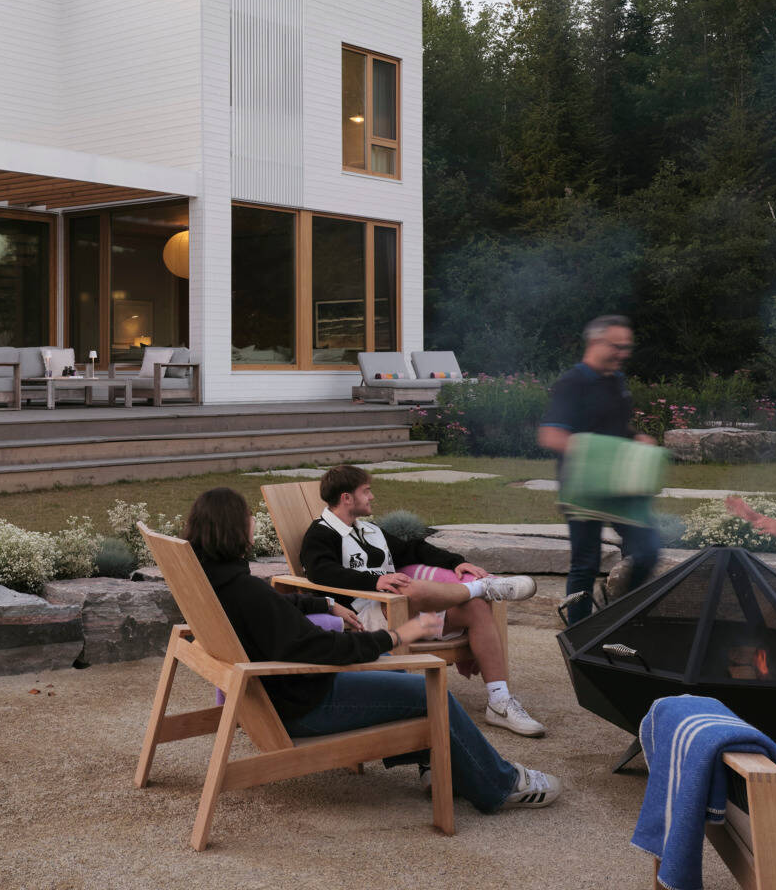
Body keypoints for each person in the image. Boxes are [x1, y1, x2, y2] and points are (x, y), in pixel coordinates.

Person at [184, 486, 561, 812]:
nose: (254, 523)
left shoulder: (215, 580)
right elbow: (319, 648)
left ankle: (436, 762)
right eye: (249, 517)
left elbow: (272, 608)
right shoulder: (246, 589)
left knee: (393, 670)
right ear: (235, 528)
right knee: (430, 692)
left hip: (276, 695)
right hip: (303, 703)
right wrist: (397, 637)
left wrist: (323, 604)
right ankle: (500, 785)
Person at [299, 465, 546, 737]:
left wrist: (457, 562)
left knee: (475, 608)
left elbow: (414, 549)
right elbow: (321, 571)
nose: (372, 497)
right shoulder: (320, 534)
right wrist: (374, 582)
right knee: (409, 590)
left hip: (406, 612)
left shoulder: (369, 530)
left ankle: (499, 702)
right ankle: (483, 587)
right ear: (347, 498)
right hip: (364, 614)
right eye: (366, 491)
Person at [536, 314, 661, 622]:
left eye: (627, 347)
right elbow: (550, 434)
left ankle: (617, 614)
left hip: (621, 486)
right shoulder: (572, 383)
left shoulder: (615, 381)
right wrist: (599, 453)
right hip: (582, 489)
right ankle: (578, 631)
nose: (623, 353)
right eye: (617, 346)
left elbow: (613, 428)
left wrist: (637, 438)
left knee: (647, 550)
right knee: (585, 563)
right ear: (595, 342)